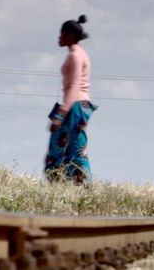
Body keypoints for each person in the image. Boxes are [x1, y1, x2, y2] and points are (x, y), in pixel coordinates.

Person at [44, 14, 97, 184]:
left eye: (62, 34)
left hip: (74, 106)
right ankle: (68, 181)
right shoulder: (79, 53)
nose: (59, 37)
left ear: (71, 36)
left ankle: (78, 183)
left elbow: (74, 87)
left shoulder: (75, 56)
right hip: (78, 106)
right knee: (71, 146)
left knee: (69, 147)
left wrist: (60, 115)